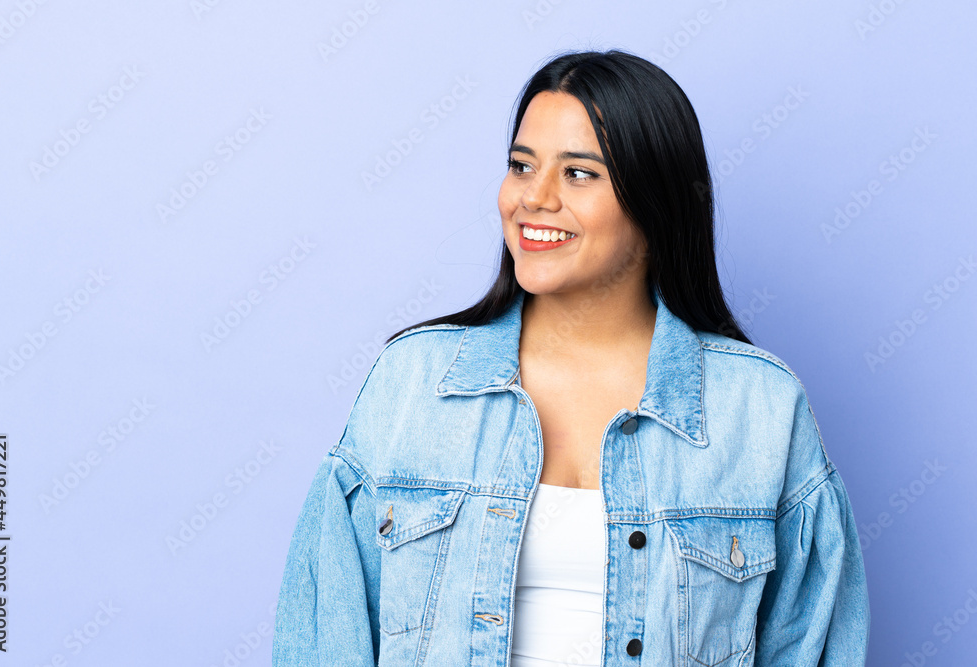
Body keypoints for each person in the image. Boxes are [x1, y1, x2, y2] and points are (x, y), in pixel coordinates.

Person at [273, 48, 870, 666]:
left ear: (656, 201)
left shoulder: (761, 409)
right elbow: (323, 639)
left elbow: (813, 646)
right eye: (521, 165)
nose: (534, 197)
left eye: (579, 173)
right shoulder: (414, 382)